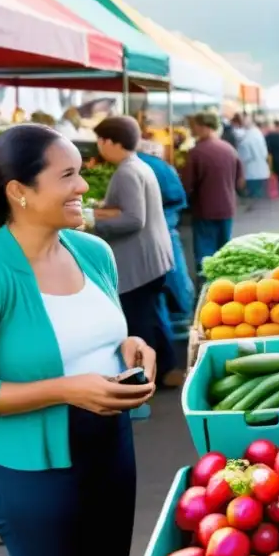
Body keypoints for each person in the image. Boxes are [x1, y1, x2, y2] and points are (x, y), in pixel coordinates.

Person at [0, 123, 156, 556]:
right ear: (19, 192)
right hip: (31, 471)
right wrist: (64, 390)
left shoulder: (93, 252)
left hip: (108, 447)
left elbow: (101, 335)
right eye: (68, 176)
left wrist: (130, 348)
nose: (85, 187)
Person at [92, 116, 178, 385]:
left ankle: (148, 377)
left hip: (138, 263)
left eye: (99, 141)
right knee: (152, 315)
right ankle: (166, 369)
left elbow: (133, 219)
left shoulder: (127, 172)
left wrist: (94, 222)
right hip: (152, 258)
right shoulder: (139, 165)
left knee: (140, 321)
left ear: (109, 141)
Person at [137, 146, 194, 380]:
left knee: (167, 287)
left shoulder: (135, 168)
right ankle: (182, 322)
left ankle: (181, 325)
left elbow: (134, 218)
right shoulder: (151, 164)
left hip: (160, 230)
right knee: (173, 282)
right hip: (167, 225)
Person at [183, 111, 245, 274]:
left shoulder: (196, 152)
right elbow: (240, 181)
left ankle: (207, 290)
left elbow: (187, 185)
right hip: (227, 208)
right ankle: (224, 286)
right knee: (224, 251)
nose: (192, 130)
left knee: (205, 255)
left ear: (203, 126)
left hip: (205, 210)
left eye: (194, 126)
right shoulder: (229, 149)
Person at [234, 115, 270, 198]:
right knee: (260, 199)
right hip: (261, 172)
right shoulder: (257, 133)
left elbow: (244, 158)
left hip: (251, 173)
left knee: (254, 200)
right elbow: (265, 153)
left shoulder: (247, 138)